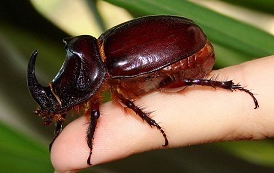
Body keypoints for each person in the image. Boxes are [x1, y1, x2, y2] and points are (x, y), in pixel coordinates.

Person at [51, 56, 274, 173]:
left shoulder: (114, 66)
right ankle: (235, 88)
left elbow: (111, 108)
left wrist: (152, 124)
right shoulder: (100, 58)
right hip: (179, 46)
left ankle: (232, 87)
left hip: (188, 55)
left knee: (184, 82)